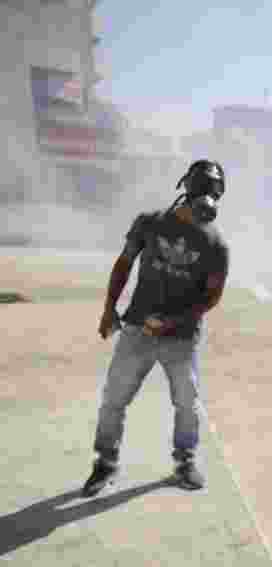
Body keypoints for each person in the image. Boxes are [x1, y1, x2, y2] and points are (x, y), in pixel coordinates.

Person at [82, 160, 230, 497]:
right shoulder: (150, 223)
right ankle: (104, 464)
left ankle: (185, 463)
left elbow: (211, 298)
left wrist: (174, 321)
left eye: (214, 193)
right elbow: (124, 263)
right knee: (113, 401)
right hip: (137, 331)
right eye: (203, 190)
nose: (207, 199)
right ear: (187, 190)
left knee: (187, 405)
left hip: (181, 339)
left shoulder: (216, 246)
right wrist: (109, 310)